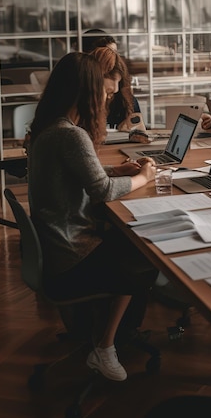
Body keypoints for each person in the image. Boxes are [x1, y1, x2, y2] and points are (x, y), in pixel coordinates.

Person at [28, 52, 157, 382]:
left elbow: (75, 174)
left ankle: (108, 332)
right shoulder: (71, 135)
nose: (106, 98)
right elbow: (101, 191)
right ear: (85, 91)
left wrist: (117, 168)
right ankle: (105, 345)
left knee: (129, 241)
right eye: (103, 91)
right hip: (72, 256)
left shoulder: (51, 127)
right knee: (145, 257)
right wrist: (144, 178)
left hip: (55, 246)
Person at [89, 45, 141, 130]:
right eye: (112, 78)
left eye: (119, 81)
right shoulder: (79, 104)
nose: (116, 88)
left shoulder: (125, 101)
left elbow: (139, 131)